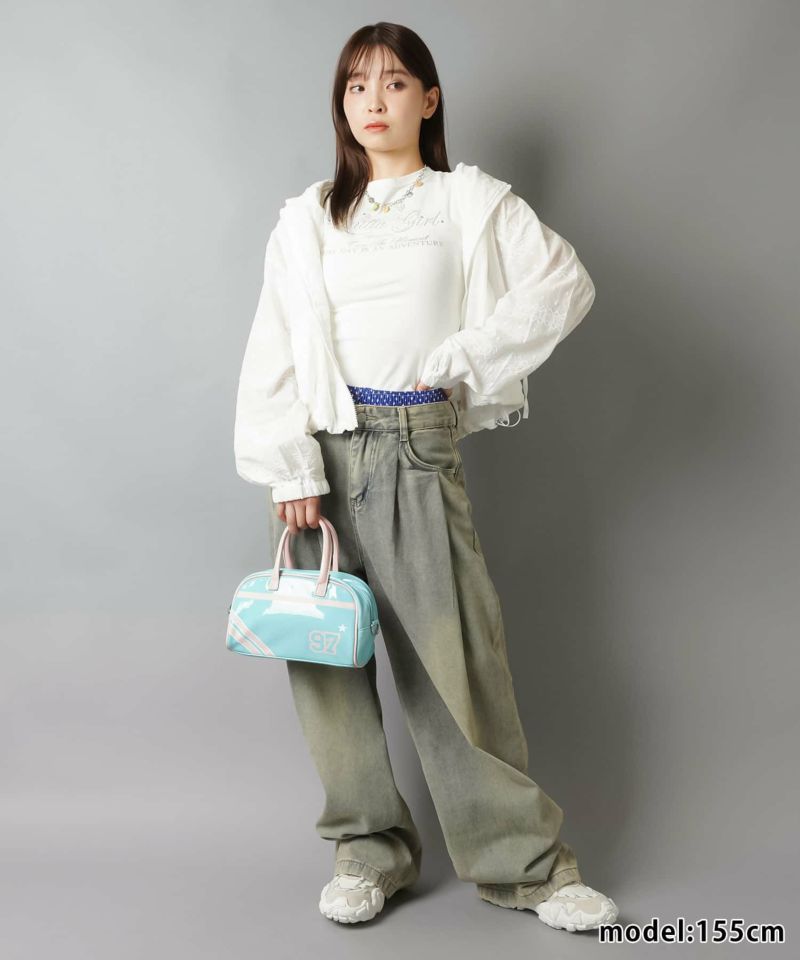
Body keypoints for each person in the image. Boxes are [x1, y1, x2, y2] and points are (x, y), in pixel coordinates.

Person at [233, 21, 619, 933]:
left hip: (415, 445)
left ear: (429, 99)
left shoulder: (467, 202)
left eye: (395, 82)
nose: (373, 101)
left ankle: (526, 866)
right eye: (356, 85)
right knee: (327, 666)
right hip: (320, 453)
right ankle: (367, 853)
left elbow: (562, 284)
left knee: (459, 665)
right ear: (341, 104)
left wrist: (462, 359)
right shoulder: (308, 217)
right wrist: (289, 467)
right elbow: (274, 347)